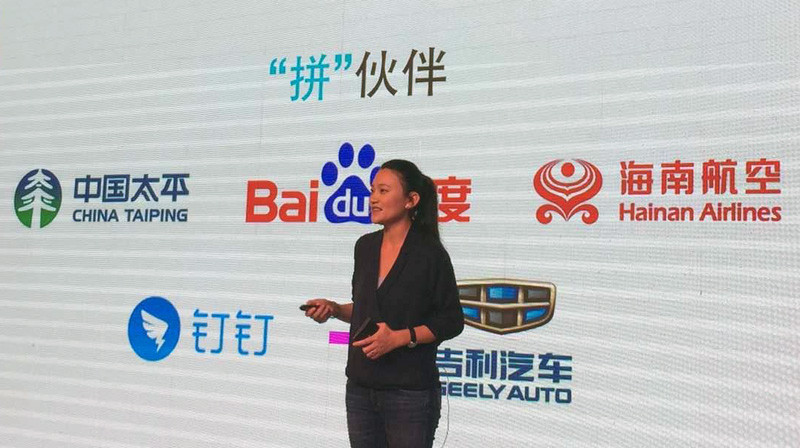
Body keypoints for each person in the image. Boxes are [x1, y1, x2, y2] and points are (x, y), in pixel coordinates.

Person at [304, 159, 464, 448]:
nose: (373, 199)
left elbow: (451, 320)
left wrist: (400, 338)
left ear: (411, 200)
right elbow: (364, 309)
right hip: (361, 388)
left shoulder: (430, 254)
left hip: (409, 393)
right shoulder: (364, 247)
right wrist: (335, 309)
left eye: (383, 191)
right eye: (372, 190)